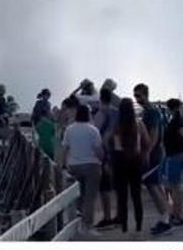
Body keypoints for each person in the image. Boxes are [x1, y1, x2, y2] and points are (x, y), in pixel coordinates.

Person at [133, 82, 172, 235]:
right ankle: (166, 216)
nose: (137, 99)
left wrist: (147, 152)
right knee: (155, 184)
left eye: (139, 96)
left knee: (152, 185)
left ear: (146, 94)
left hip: (153, 153)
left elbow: (154, 134)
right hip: (155, 152)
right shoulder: (151, 111)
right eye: (135, 96)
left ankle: (165, 219)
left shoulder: (151, 112)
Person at [61, 104, 104, 231]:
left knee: (77, 196)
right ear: (88, 115)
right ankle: (87, 225)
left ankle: (75, 222)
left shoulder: (69, 129)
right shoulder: (93, 130)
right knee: (90, 197)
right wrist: (103, 160)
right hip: (92, 165)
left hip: (74, 166)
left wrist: (64, 165)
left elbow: (65, 148)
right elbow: (98, 150)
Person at [111, 97, 150, 234]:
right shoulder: (138, 124)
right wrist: (145, 155)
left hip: (120, 161)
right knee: (136, 195)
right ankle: (138, 226)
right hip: (135, 160)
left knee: (122, 197)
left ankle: (124, 227)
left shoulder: (116, 125)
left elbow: (113, 146)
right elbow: (147, 142)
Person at [93, 86, 119, 228]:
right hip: (119, 153)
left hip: (105, 154)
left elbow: (98, 135)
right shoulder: (118, 113)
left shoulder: (101, 113)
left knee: (105, 188)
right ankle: (119, 216)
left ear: (101, 99)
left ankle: (107, 217)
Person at [163, 98, 183, 225]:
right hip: (173, 155)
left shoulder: (177, 122)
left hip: (177, 156)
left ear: (170, 109)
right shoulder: (175, 121)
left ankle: (178, 215)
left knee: (176, 187)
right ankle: (177, 214)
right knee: (174, 187)